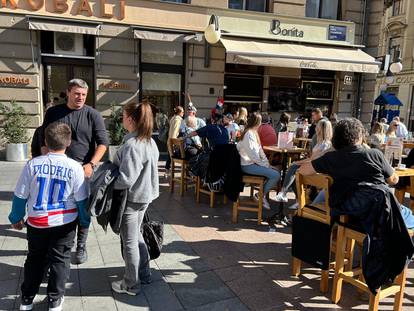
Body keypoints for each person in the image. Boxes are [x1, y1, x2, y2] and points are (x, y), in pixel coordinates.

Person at [9, 122, 90, 311]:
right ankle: (55, 300)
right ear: (69, 142)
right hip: (64, 222)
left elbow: (20, 195)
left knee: (35, 259)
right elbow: (81, 201)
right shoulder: (75, 167)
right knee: (60, 260)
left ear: (45, 140)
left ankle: (26, 299)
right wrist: (84, 221)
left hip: (37, 222)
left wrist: (16, 218)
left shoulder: (32, 165)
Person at [299, 117, 414, 229]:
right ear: (359, 136)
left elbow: (302, 170)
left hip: (346, 210)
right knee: (407, 213)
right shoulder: (374, 154)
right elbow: (394, 180)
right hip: (375, 212)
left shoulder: (331, 158)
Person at [40, 78, 109, 264]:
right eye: (77, 93)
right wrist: (46, 163)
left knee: (83, 210)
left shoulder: (93, 115)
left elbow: (103, 143)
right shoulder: (54, 112)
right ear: (68, 92)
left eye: (84, 95)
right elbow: (43, 140)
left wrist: (92, 164)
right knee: (58, 208)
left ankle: (81, 245)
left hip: (82, 171)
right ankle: (61, 244)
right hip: (57, 171)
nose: (80, 98)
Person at [111, 102, 159, 296]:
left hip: (132, 199)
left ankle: (131, 284)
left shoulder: (133, 145)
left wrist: (107, 183)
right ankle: (145, 274)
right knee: (137, 236)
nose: (122, 119)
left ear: (130, 119)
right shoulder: (149, 141)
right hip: (145, 196)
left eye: (123, 116)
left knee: (130, 241)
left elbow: (126, 179)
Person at [275, 119, 333, 206]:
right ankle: (297, 199)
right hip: (314, 167)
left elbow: (312, 159)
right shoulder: (321, 142)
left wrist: (297, 163)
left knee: (294, 168)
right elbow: (312, 159)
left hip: (318, 171)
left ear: (322, 129)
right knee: (295, 173)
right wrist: (298, 162)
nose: (316, 128)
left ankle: (284, 193)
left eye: (318, 127)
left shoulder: (325, 144)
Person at [237, 112, 281, 210]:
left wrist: (267, 164)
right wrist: (266, 165)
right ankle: (260, 195)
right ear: (258, 123)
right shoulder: (249, 134)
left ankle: (261, 195)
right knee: (276, 175)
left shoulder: (253, 132)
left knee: (275, 172)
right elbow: (254, 156)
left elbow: (260, 151)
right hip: (247, 166)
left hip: (251, 164)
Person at [165, 106, 184, 177]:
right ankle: (168, 172)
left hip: (170, 140)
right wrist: (173, 142)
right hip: (173, 140)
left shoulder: (173, 118)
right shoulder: (178, 120)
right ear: (179, 112)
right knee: (172, 156)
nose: (183, 113)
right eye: (182, 112)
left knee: (169, 156)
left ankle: (167, 171)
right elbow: (174, 131)